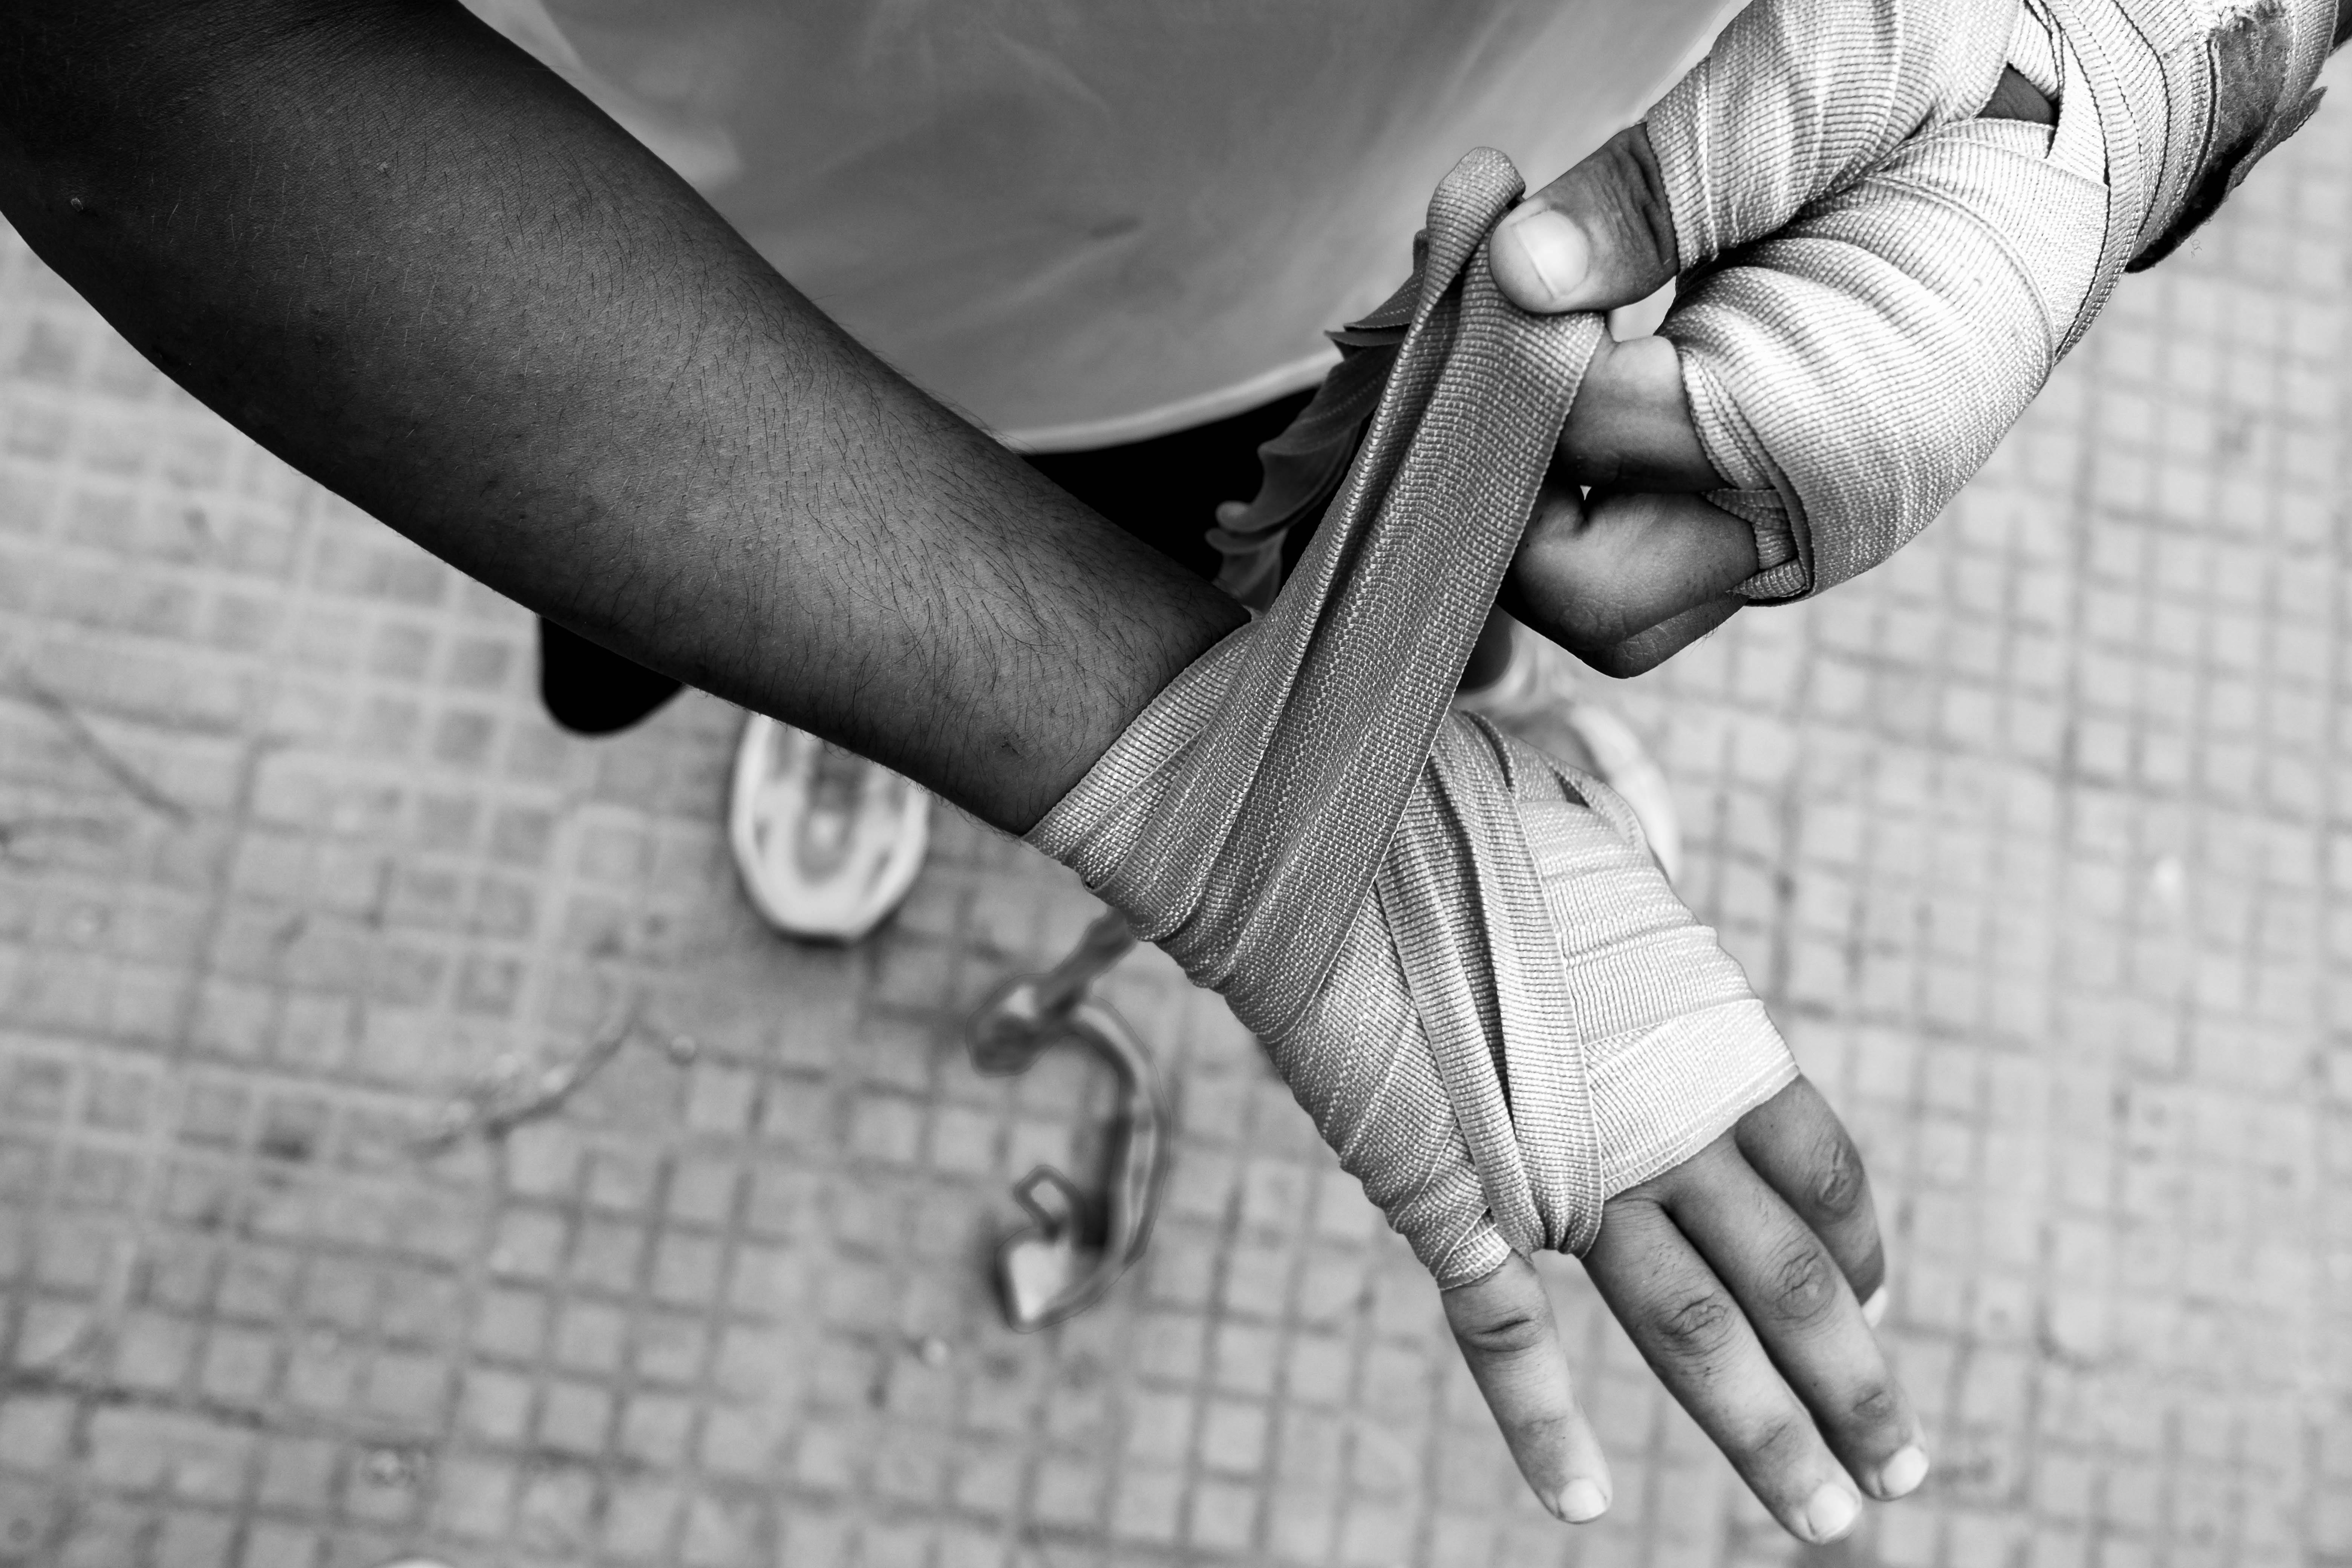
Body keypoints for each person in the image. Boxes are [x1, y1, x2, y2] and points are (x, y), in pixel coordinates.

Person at [3, 0, 2332, 1542]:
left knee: (1385, 503)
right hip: (671, 275)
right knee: (770, 582)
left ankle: (1371, 668)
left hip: (1545, 194)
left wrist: (2111, 77)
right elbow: (125, 51)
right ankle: (924, 679)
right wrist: (1138, 737)